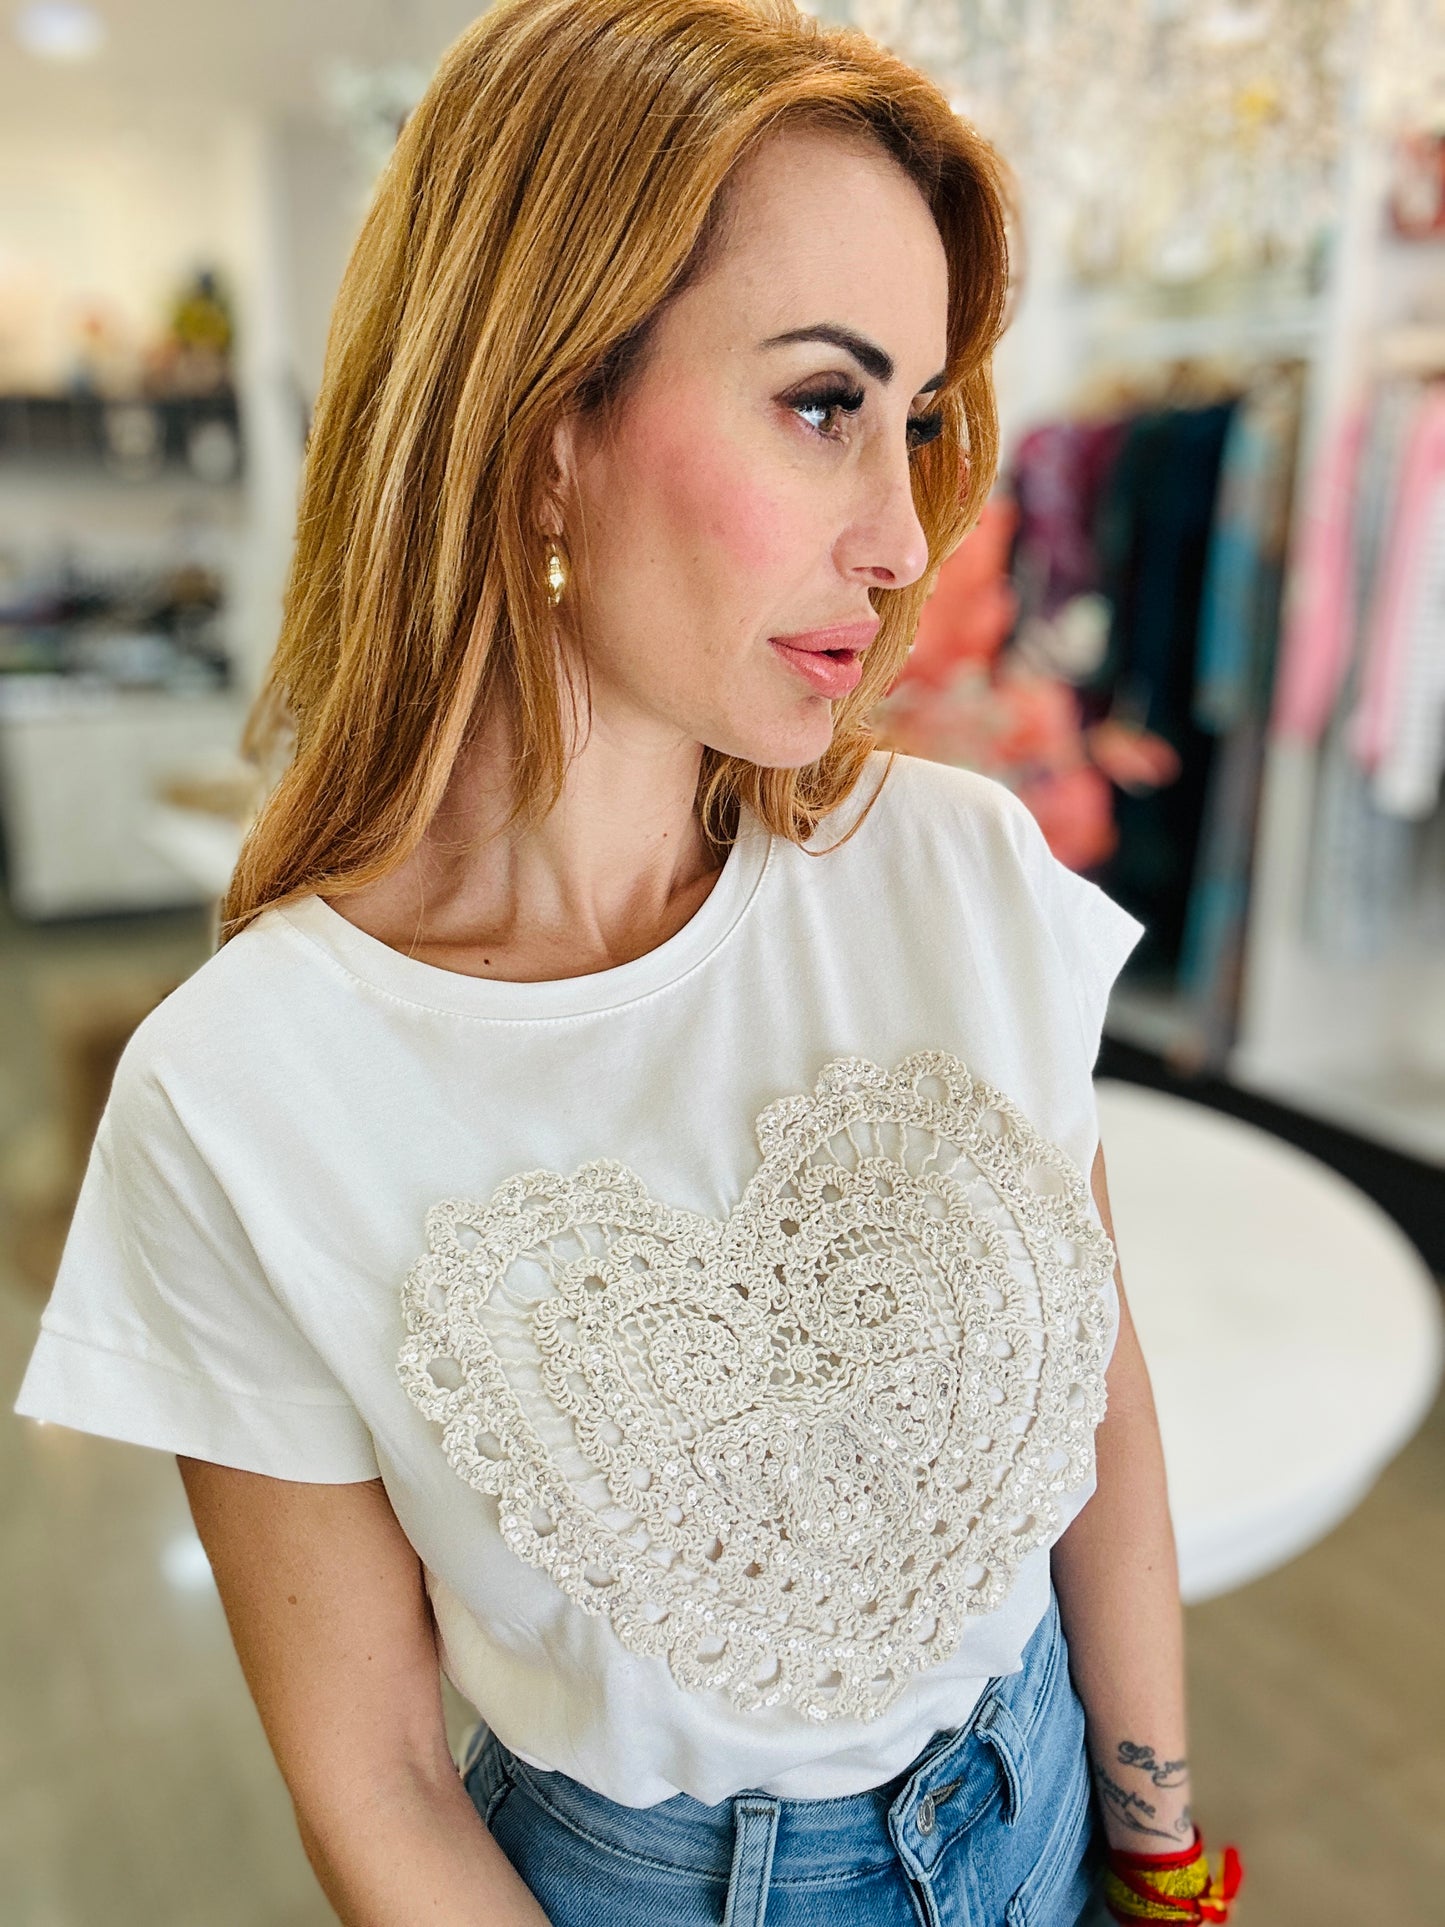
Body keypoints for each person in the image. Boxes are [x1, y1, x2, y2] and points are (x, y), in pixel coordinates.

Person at [14, 2, 1242, 1921]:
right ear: (540, 431)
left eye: (919, 420)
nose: (904, 536)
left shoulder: (952, 872)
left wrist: (1158, 1858)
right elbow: (377, 1778)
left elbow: (1099, 1398)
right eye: (824, 404)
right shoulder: (244, 1095)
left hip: (1046, 1806)